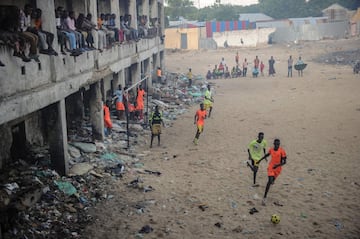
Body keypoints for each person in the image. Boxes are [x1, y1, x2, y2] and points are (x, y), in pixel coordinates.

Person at [261, 139, 287, 206]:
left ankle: (272, 180)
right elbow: (267, 155)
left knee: (272, 181)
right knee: (269, 181)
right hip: (271, 167)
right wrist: (260, 160)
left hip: (278, 169)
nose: (277, 145)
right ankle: (264, 197)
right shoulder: (271, 150)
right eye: (275, 144)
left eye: (278, 144)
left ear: (279, 144)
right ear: (274, 144)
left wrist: (277, 165)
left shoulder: (282, 151)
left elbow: (284, 162)